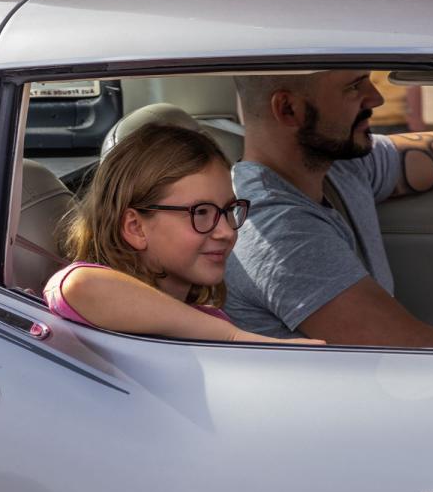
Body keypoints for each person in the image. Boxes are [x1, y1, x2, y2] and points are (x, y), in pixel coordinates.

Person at [224, 69, 433, 347]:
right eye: (354, 87)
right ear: (289, 109)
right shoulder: (278, 231)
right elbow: (412, 350)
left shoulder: (339, 166)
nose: (376, 98)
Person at [44, 123, 317, 345]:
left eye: (228, 210)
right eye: (201, 213)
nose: (225, 231)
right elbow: (78, 285)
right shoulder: (98, 299)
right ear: (135, 228)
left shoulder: (204, 318)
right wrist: (235, 338)